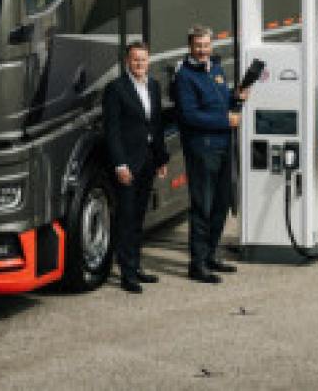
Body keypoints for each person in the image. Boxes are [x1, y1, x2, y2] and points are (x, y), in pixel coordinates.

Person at [172, 25, 244, 283]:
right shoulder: (184, 77)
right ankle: (198, 263)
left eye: (206, 45)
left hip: (224, 147)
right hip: (203, 149)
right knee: (202, 206)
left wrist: (237, 99)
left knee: (222, 203)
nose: (203, 51)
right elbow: (189, 116)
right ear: (190, 47)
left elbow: (224, 103)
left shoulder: (215, 68)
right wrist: (226, 120)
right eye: (198, 46)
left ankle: (212, 254)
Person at [103, 41, 169, 294]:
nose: (139, 64)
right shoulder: (116, 89)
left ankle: (136, 265)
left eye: (143, 59)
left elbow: (156, 125)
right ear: (127, 62)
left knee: (140, 217)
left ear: (148, 61)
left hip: (148, 161)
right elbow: (113, 131)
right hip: (128, 164)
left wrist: (161, 159)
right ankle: (127, 273)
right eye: (135, 60)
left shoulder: (152, 86)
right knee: (126, 217)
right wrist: (120, 163)